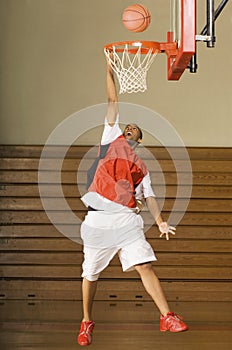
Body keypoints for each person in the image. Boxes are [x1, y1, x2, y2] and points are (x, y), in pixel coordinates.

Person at [77, 59, 188, 346]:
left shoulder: (140, 167)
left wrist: (161, 220)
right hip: (98, 219)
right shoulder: (110, 138)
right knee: (90, 273)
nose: (128, 128)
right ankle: (87, 321)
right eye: (126, 126)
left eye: (133, 129)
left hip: (126, 220)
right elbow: (112, 99)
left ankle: (167, 316)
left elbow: (148, 197)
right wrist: (108, 71)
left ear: (138, 141)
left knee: (145, 266)